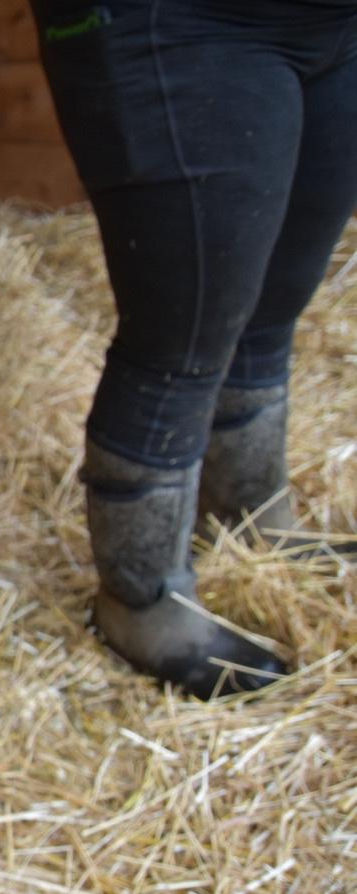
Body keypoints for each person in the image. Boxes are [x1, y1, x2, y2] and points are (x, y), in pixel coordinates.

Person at [29, 0, 357, 697]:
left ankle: (252, 514)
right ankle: (143, 600)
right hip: (178, 23)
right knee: (179, 337)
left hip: (332, 24)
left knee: (273, 301)